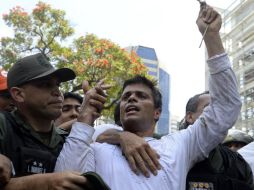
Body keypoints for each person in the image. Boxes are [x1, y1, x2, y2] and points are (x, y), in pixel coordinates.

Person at [55, 4, 242, 189]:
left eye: (141, 96)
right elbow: (64, 179)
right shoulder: (96, 147)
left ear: (157, 113)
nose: (131, 99)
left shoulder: (180, 145)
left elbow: (225, 109)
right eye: (126, 96)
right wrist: (86, 117)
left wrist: (211, 37)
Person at [0, 53, 104, 190]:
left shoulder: (66, 140)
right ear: (18, 94)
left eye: (57, 85)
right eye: (45, 85)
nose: (57, 92)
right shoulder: (3, 124)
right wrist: (46, 183)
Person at [180, 91, 253, 189]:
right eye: (209, 109)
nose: (218, 116)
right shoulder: (165, 154)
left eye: (221, 111)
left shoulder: (238, 164)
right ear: (189, 117)